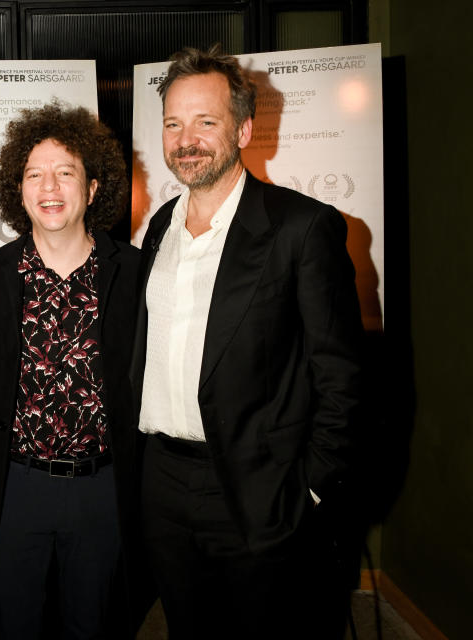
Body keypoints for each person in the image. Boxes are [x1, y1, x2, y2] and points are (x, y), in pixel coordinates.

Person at [131, 45, 364, 639]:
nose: (187, 139)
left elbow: (341, 376)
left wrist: (308, 488)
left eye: (205, 122)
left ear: (244, 128)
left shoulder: (301, 227)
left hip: (259, 488)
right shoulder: (159, 227)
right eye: (173, 124)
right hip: (163, 484)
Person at [0, 102, 143, 639]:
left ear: (92, 188)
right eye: (34, 174)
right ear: (17, 191)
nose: (50, 186)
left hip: (101, 488)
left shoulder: (135, 275)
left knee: (92, 626)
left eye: (66, 172)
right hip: (16, 487)